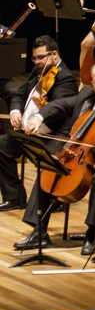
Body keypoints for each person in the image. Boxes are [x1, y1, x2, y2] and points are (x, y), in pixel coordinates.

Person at [14, 62, 95, 254]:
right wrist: (39, 117)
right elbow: (60, 104)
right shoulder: (87, 95)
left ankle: (92, 232)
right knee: (49, 166)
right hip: (83, 153)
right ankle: (40, 230)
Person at [0, 36, 77, 212]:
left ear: (54, 54)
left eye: (41, 57)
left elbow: (59, 109)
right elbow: (20, 94)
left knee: (48, 160)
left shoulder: (66, 79)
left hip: (52, 133)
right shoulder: (38, 71)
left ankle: (53, 200)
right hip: (30, 130)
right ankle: (14, 197)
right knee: (2, 145)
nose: (37, 62)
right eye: (34, 58)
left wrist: (43, 107)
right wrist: (15, 111)